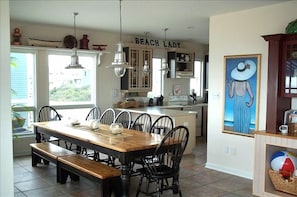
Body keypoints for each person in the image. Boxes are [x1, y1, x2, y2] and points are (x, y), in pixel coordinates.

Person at [227, 60, 256, 133]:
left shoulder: (234, 83)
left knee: (237, 128)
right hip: (244, 107)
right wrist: (249, 104)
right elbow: (252, 97)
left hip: (237, 107)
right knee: (244, 129)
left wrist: (229, 86)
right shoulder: (246, 83)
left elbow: (231, 96)